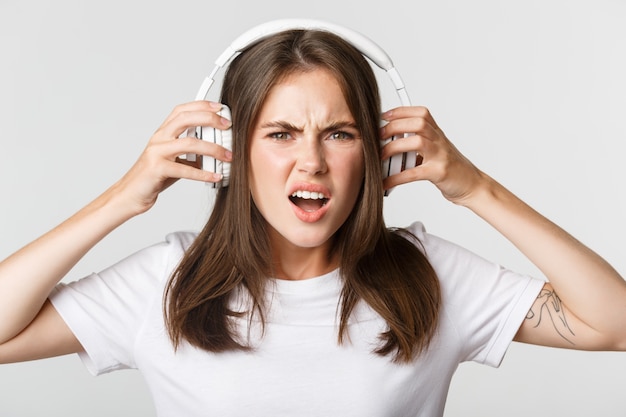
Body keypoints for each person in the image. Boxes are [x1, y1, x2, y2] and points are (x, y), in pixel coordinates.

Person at [1, 24, 625, 417]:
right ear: (229, 154)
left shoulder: (427, 277)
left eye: (339, 133)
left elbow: (614, 323)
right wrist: (124, 199)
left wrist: (475, 188)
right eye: (280, 133)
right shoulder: (167, 282)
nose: (312, 161)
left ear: (380, 155)